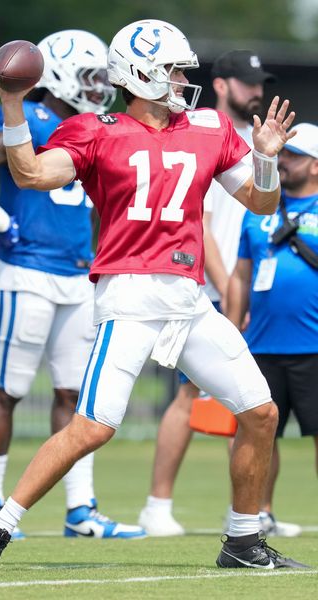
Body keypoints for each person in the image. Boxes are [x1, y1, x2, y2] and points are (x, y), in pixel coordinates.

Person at [0, 18, 309, 572]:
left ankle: (242, 542)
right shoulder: (95, 130)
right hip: (129, 294)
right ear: (140, 74)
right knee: (93, 427)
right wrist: (11, 103)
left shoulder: (210, 126)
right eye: (171, 69)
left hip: (189, 301)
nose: (179, 79)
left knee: (261, 413)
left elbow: (262, 204)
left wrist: (265, 156)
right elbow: (28, 174)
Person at [0, 30, 143, 540]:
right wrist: (1, 220)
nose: (100, 89)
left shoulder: (89, 126)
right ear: (59, 75)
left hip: (77, 272)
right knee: (8, 388)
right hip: (27, 268)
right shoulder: (33, 118)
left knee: (76, 396)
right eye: (91, 77)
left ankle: (81, 510)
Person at [138, 50, 300, 537]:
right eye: (247, 84)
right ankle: (157, 505)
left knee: (251, 400)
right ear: (222, 86)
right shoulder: (200, 132)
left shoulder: (242, 140)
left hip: (238, 289)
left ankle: (253, 513)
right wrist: (233, 294)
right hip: (209, 287)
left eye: (260, 82)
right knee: (190, 397)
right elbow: (202, 227)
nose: (257, 91)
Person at [226, 121, 318, 537]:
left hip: (313, 344)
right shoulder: (260, 208)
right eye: (282, 154)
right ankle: (259, 511)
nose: (283, 161)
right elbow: (240, 276)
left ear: (315, 165)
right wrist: (230, 330)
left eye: (294, 156)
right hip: (261, 343)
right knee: (261, 431)